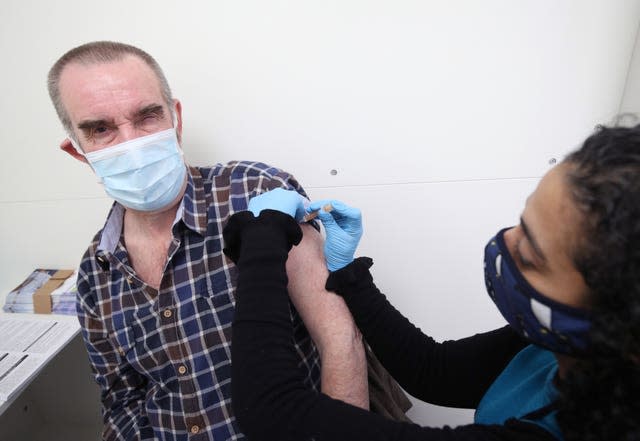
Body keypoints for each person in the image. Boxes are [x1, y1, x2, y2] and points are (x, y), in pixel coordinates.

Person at [225, 124, 640, 440]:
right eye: (521, 223)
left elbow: (271, 408)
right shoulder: (550, 347)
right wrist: (347, 272)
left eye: (530, 256)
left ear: (610, 321)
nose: (503, 245)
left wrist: (264, 239)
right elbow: (434, 370)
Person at [46, 41, 371, 440]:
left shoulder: (256, 197)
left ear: (175, 119)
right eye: (101, 129)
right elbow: (122, 403)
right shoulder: (96, 273)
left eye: (147, 116)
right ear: (78, 151)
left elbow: (339, 340)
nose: (131, 145)